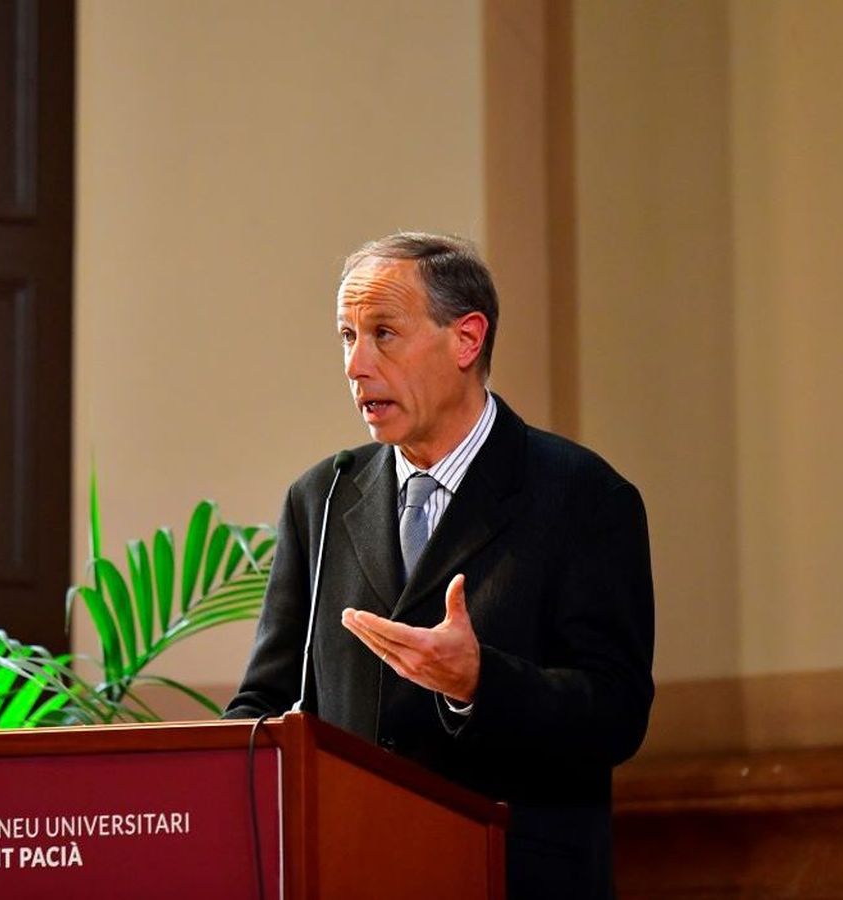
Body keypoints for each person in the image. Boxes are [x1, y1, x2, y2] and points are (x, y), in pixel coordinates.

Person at [224, 233, 654, 898]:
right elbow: (267, 701)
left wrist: (480, 682)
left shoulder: (582, 497)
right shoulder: (324, 495)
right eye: (346, 336)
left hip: (510, 875)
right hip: (347, 871)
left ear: (466, 339)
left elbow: (618, 713)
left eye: (384, 333)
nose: (355, 365)